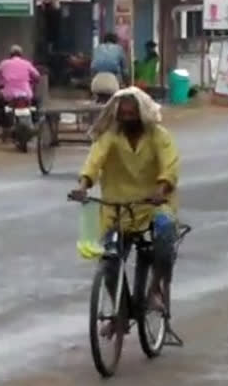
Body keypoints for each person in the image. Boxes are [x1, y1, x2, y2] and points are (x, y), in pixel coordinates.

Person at [70, 87, 180, 335]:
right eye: (123, 114)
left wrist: (162, 189)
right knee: (109, 262)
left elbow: (170, 165)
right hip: (117, 208)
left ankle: (154, 290)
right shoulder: (110, 136)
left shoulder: (158, 136)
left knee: (164, 236)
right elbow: (94, 161)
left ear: (142, 114)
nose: (127, 118)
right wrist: (83, 186)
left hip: (153, 205)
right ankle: (121, 312)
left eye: (132, 113)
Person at [0, 44, 41, 127]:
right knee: (37, 101)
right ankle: (36, 119)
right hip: (26, 95)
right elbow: (37, 76)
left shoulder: (4, 64)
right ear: (21, 55)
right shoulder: (27, 63)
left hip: (10, 95)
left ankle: (1, 123)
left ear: (10, 55)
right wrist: (33, 82)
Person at [90, 33, 126, 99]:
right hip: (113, 83)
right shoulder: (119, 49)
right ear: (115, 41)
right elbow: (124, 69)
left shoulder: (97, 48)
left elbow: (92, 68)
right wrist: (126, 83)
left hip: (96, 83)